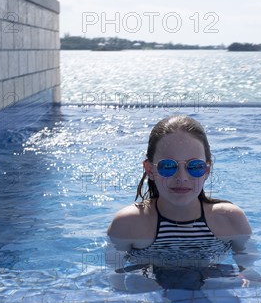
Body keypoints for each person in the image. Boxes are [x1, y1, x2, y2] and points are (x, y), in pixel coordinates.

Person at [107, 115, 252, 271]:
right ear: (150, 169)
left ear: (207, 170)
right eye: (168, 166)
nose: (182, 178)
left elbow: (252, 275)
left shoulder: (230, 220)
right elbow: (113, 279)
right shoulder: (128, 224)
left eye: (194, 166)